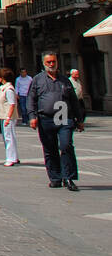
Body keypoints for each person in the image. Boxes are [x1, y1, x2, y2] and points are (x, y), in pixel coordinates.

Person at [29, 52, 84, 191]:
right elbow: (31, 99)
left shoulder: (65, 80)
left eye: (53, 61)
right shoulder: (37, 80)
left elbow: (74, 101)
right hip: (45, 119)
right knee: (50, 149)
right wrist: (32, 117)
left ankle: (69, 178)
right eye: (49, 62)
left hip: (64, 118)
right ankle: (55, 178)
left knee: (66, 146)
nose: (52, 64)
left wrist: (79, 119)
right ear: (44, 63)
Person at [0, 67, 19, 167]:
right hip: (3, 115)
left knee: (9, 137)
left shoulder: (9, 89)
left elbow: (12, 104)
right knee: (7, 137)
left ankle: (11, 158)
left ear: (2, 78)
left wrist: (8, 118)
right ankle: (14, 156)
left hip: (7, 116)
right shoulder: (2, 88)